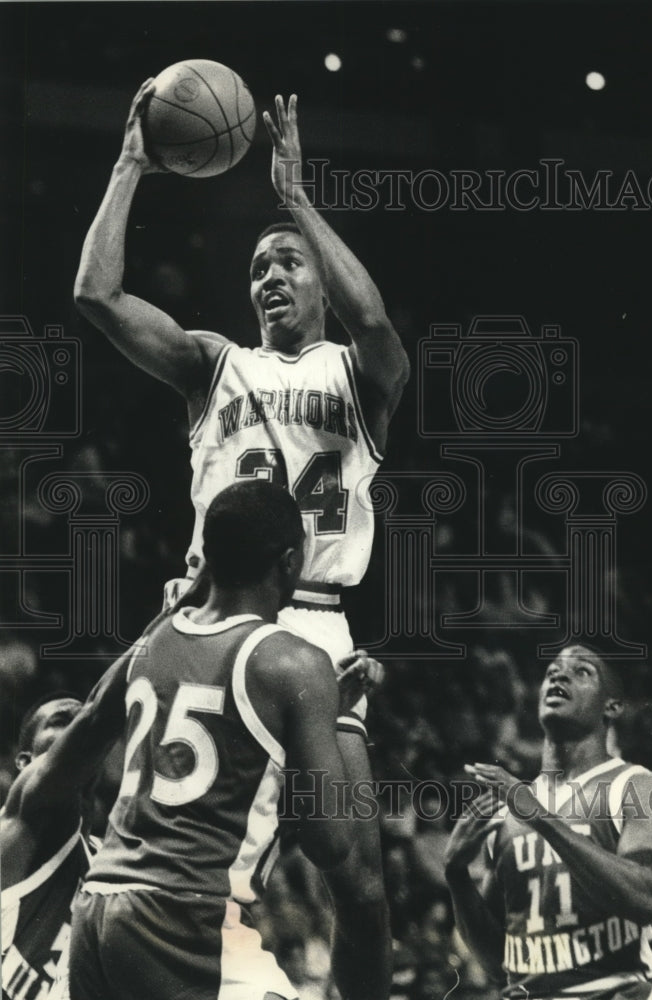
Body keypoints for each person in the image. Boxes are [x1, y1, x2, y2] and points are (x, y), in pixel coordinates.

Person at [74, 82, 409, 998]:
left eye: (287, 264)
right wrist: (132, 164)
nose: (268, 275)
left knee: (364, 883)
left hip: (322, 630)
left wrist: (297, 201)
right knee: (210, 866)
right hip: (217, 625)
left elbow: (375, 323)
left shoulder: (358, 372)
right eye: (258, 264)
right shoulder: (212, 364)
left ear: (320, 284)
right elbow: (96, 294)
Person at [69, 480, 372, 1000]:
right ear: (291, 563)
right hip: (183, 916)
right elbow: (331, 842)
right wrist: (321, 727)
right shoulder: (293, 661)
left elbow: (102, 709)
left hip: (97, 908)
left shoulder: (156, 639)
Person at [445, 644, 652, 1000]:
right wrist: (457, 876)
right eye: (552, 670)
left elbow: (647, 900)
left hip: (618, 990)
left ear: (610, 707)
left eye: (582, 671)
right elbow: (498, 962)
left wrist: (541, 818)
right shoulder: (509, 809)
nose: (559, 675)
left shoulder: (635, 786)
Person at [1, 662, 128, 1000]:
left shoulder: (113, 859)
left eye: (78, 723)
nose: (75, 731)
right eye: (61, 723)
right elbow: (96, 722)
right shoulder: (18, 824)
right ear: (24, 761)